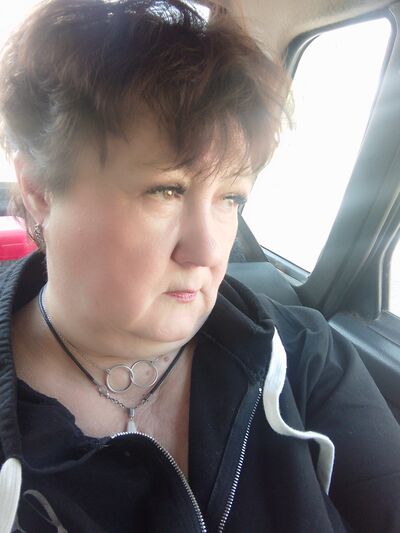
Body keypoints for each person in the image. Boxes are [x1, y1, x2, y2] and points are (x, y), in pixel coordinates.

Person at [0, 0, 399, 531]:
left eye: (231, 198)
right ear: (39, 190)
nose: (209, 251)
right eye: (166, 190)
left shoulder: (303, 354)